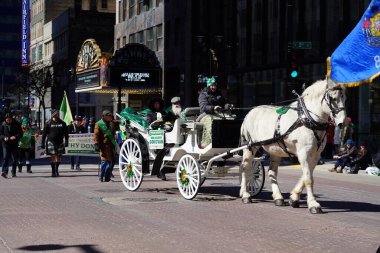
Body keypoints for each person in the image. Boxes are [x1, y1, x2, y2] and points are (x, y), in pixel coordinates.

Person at [198, 77, 232, 148]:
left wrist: (228, 106)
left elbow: (224, 103)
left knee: (230, 118)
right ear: (208, 85)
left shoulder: (219, 94)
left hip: (218, 114)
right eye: (212, 85)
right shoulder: (203, 95)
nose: (214, 87)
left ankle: (229, 141)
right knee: (211, 121)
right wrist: (213, 108)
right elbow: (203, 107)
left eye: (215, 85)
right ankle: (207, 143)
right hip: (205, 115)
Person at [41, 109, 69, 177]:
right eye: (55, 114)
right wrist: (42, 143)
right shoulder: (48, 123)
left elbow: (66, 134)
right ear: (53, 115)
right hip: (51, 142)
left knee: (58, 157)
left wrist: (66, 141)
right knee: (53, 157)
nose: (57, 115)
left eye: (57, 114)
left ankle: (56, 170)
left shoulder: (62, 123)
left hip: (60, 142)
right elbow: (44, 134)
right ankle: (53, 172)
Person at [93, 110, 119, 182]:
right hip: (103, 145)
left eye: (111, 116)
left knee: (111, 163)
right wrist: (96, 144)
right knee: (104, 161)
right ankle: (101, 177)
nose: (110, 118)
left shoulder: (111, 123)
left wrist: (124, 121)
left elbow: (118, 122)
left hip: (111, 145)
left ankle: (107, 177)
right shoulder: (98, 124)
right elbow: (96, 135)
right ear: (104, 117)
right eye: (109, 116)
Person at [0, 113, 23, 178]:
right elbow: (0, 134)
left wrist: (15, 137)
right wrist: (4, 137)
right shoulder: (3, 124)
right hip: (5, 144)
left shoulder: (17, 124)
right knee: (5, 158)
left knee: (14, 159)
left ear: (12, 119)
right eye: (7, 120)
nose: (8, 121)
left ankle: (13, 171)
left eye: (9, 119)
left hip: (14, 144)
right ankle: (5, 172)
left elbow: (21, 134)